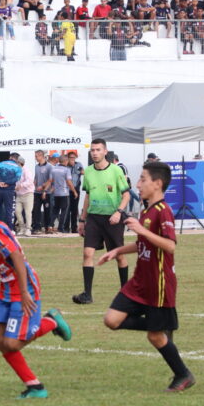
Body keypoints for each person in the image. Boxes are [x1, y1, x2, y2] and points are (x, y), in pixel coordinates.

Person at [0, 188, 72, 399]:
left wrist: (26, 292)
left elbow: (17, 257)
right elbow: (1, 264)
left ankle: (51, 321)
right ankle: (35, 387)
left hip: (22, 288)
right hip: (6, 289)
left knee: (11, 342)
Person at [99, 162, 196, 392]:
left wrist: (142, 231)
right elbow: (144, 242)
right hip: (139, 281)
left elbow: (170, 246)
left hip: (158, 282)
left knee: (155, 337)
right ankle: (163, 325)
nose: (139, 184)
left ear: (157, 183)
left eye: (143, 179)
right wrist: (118, 251)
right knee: (111, 320)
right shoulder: (145, 210)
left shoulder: (164, 211)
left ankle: (183, 374)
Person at [74, 139, 130, 305]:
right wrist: (82, 220)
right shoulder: (88, 172)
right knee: (87, 254)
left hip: (113, 219)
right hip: (93, 218)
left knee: (119, 256)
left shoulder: (116, 171)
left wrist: (119, 212)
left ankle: (126, 293)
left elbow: (126, 195)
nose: (95, 153)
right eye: (92, 150)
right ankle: (87, 294)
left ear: (105, 151)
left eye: (98, 150)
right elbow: (88, 196)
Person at [0, 153, 22, 230]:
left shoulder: (0, 164)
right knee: (9, 209)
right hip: (9, 190)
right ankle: (10, 229)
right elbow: (16, 178)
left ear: (10, 157)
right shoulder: (18, 167)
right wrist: (7, 183)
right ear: (17, 159)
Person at [49, 155, 78, 234]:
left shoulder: (54, 169)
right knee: (64, 211)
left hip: (56, 193)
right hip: (64, 193)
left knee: (55, 210)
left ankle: (50, 225)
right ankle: (60, 228)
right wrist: (75, 192)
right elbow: (69, 182)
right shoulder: (66, 170)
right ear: (66, 161)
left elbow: (51, 181)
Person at [31, 150, 52, 234]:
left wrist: (44, 189)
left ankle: (48, 227)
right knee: (36, 210)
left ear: (42, 156)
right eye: (35, 156)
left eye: (37, 156)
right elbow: (35, 178)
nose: (35, 158)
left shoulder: (49, 166)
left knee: (47, 210)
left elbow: (50, 180)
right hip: (37, 192)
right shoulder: (36, 166)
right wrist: (33, 184)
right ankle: (37, 227)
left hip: (46, 192)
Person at [14, 155, 34, 236]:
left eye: (17, 163)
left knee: (28, 212)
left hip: (28, 194)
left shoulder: (27, 171)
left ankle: (28, 229)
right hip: (19, 195)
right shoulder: (16, 171)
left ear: (21, 163)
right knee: (17, 211)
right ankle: (22, 228)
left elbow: (30, 181)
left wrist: (21, 185)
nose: (16, 164)